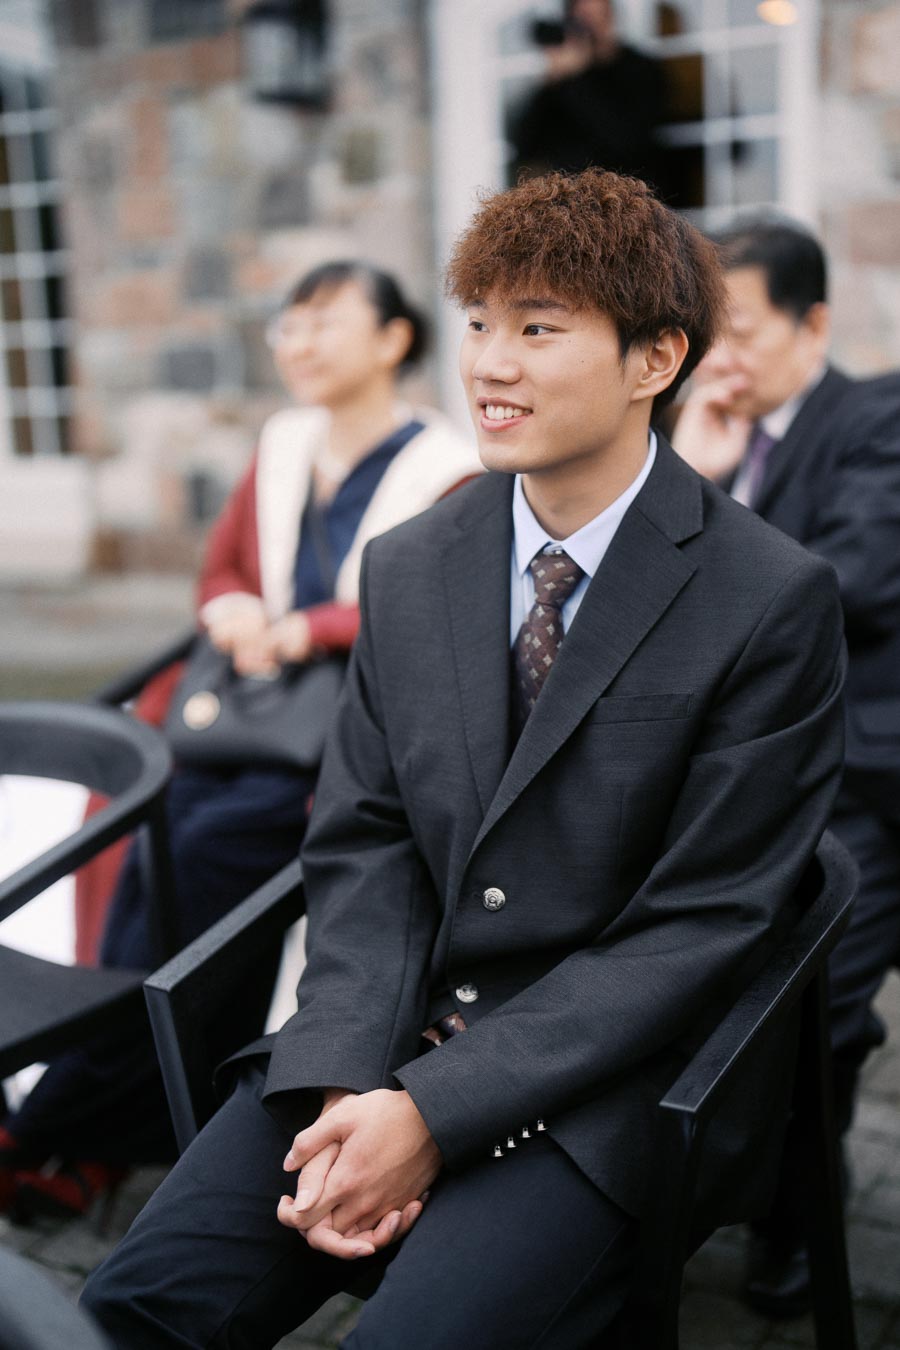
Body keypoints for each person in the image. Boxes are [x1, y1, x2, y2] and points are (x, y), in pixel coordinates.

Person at [82, 169, 845, 1350]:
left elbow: (703, 924)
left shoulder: (769, 599)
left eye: (540, 329)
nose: (490, 364)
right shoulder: (413, 563)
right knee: (132, 1311)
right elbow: (366, 838)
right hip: (382, 1030)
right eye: (481, 323)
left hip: (604, 1089)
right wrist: (347, 1080)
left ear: (655, 360)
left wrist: (434, 1112)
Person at [0, 260, 480, 1220]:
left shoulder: (446, 466)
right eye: (287, 326)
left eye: (323, 323)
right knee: (152, 839)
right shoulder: (286, 444)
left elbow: (436, 611)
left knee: (207, 867)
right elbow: (219, 570)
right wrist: (232, 616)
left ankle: (64, 1122)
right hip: (242, 725)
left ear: (393, 340)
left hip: (351, 744)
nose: (297, 343)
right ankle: (107, 1115)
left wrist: (309, 628)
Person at [672, 218, 900, 1317]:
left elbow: (850, 582)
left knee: (823, 1004)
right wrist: (696, 477)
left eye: (744, 330)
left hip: (865, 777)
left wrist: (715, 507)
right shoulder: (705, 433)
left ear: (814, 322)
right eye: (706, 330)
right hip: (741, 774)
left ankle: (798, 1216)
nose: (720, 356)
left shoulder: (877, 417)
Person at [509, 0, 664, 187]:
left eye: (600, 17)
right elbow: (523, 145)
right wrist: (553, 81)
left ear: (612, 18)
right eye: (584, 19)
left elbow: (627, 139)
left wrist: (577, 77)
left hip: (625, 197)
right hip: (569, 198)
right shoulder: (562, 78)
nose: (592, 27)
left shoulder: (640, 69)